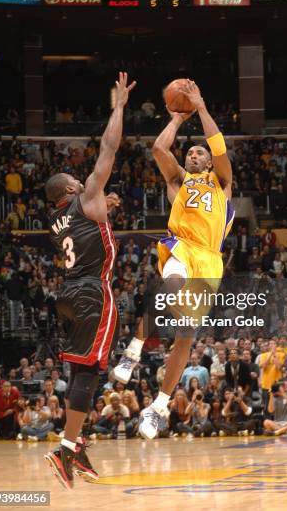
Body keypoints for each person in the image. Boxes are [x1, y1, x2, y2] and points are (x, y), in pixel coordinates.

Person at [114, 79, 234, 440]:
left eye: (199, 153)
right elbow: (158, 148)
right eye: (190, 153)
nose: (193, 155)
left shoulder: (223, 182)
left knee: (185, 335)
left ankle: (160, 406)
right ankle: (132, 350)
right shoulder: (178, 182)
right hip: (182, 245)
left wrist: (201, 108)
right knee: (171, 285)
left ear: (209, 161)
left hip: (210, 260)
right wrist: (178, 120)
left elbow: (218, 145)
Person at [43, 72, 136, 489]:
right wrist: (118, 106)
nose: (83, 181)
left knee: (84, 371)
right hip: (92, 292)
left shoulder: (55, 218)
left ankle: (73, 443)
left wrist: (106, 209)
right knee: (92, 373)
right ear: (71, 187)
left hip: (67, 294)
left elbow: (86, 230)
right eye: (77, 181)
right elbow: (109, 148)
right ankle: (66, 448)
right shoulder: (86, 193)